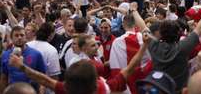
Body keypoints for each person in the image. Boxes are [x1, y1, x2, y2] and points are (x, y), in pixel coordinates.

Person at [8, 33, 150, 94]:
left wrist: (21, 67)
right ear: (95, 84)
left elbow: (45, 80)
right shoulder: (104, 88)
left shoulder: (68, 89)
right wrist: (145, 45)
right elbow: (130, 68)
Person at [131, 2, 201, 92]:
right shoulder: (183, 47)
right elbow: (200, 28)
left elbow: (143, 26)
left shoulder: (154, 46)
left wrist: (134, 10)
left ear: (161, 34)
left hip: (160, 90)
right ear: (178, 33)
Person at [0, 26, 47, 92]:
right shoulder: (6, 55)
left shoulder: (36, 54)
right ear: (11, 38)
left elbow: (43, 77)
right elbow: (3, 77)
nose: (19, 38)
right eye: (16, 35)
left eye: (22, 35)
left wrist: (41, 92)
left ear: (25, 37)